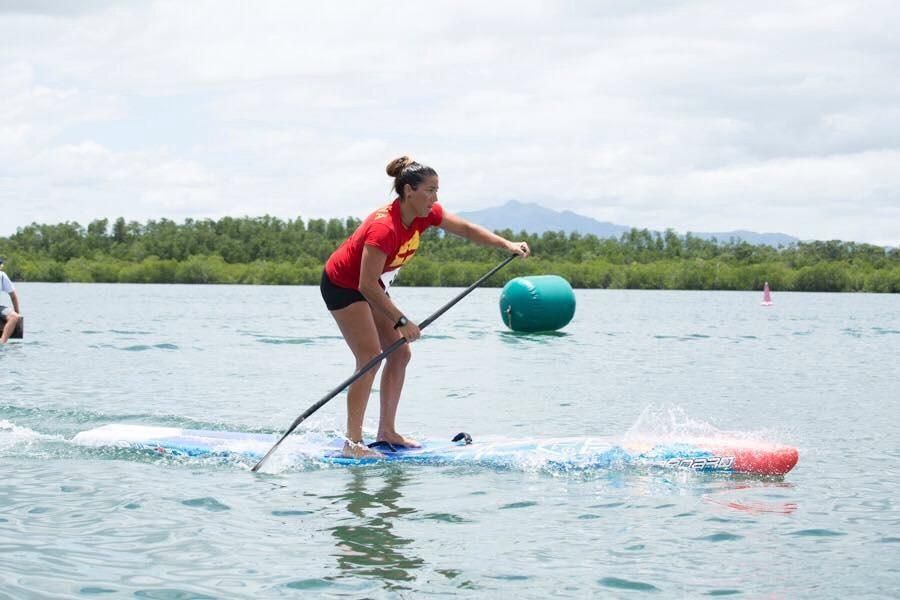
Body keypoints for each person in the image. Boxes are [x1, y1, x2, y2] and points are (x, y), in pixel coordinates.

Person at [321, 156, 530, 458]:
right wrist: (402, 320)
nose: (435, 197)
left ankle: (387, 431)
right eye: (430, 190)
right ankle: (352, 445)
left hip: (371, 287)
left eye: (437, 190)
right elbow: (365, 285)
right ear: (409, 191)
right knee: (370, 357)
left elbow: (468, 230)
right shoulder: (384, 228)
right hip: (343, 285)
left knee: (400, 353)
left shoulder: (425, 215)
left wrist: (506, 244)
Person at [0, 257, 21, 344]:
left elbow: (13, 296)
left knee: (14, 316)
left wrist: (18, 313)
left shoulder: (2, 276)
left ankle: (2, 342)